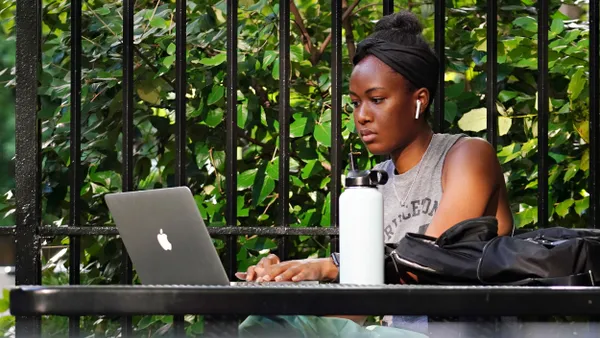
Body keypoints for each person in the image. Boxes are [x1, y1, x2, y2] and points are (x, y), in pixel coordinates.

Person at [236, 10, 514, 336]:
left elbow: (428, 260)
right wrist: (283, 283)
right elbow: (356, 308)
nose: (362, 116)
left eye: (377, 99)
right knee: (268, 321)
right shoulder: (373, 185)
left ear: (419, 101)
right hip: (389, 332)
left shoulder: (467, 155)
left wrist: (328, 267)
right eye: (355, 103)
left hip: (460, 331)